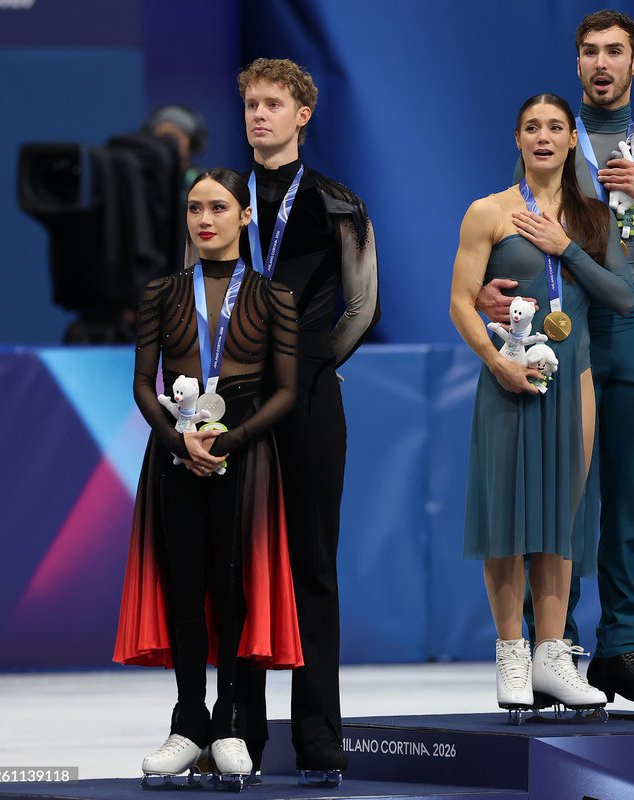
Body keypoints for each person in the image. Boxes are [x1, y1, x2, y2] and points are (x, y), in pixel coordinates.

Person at [478, 9, 634, 716]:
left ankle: (622, 649)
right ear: (578, 62)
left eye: (615, 51)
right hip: (569, 329)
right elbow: (512, 229)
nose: (600, 63)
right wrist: (493, 298)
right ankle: (556, 648)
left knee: (629, 502)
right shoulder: (558, 140)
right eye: (589, 51)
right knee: (562, 500)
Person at [113, 168, 302, 788]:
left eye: (219, 207)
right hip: (174, 452)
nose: (205, 219)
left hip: (244, 452)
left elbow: (286, 390)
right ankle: (187, 720)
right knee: (185, 585)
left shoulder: (275, 296)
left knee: (233, 586)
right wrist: (178, 442)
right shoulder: (162, 292)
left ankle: (227, 724)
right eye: (195, 208)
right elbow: (144, 382)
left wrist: (232, 440)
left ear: (244, 216)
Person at [450, 93, 634, 716]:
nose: (544, 137)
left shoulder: (592, 217)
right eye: (532, 127)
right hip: (507, 375)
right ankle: (510, 650)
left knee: (562, 515)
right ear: (518, 138)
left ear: (572, 140)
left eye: (556, 126)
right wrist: (495, 358)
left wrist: (565, 247)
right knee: (506, 515)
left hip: (573, 378)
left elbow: (622, 297)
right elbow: (459, 300)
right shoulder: (488, 212)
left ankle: (552, 655)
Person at [235, 58, 380, 780]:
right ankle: (240, 731)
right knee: (238, 568)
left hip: (313, 400)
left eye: (274, 103)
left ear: (304, 114)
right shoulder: (219, 198)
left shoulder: (337, 201)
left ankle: (319, 733)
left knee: (312, 567)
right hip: (234, 405)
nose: (259, 114)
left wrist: (307, 366)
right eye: (251, 103)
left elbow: (361, 306)